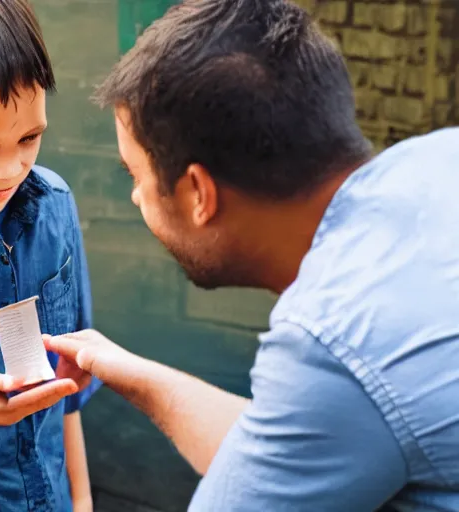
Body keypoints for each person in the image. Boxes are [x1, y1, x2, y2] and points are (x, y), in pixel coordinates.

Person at [46, 0, 459, 510]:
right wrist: (125, 369)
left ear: (199, 194)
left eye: (136, 176)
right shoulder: (439, 157)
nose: (135, 197)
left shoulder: (329, 341)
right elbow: (281, 452)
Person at [0, 1, 100, 511]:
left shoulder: (54, 206)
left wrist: (81, 500)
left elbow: (68, 392)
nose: (11, 169)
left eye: (30, 137)